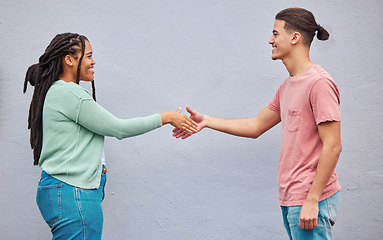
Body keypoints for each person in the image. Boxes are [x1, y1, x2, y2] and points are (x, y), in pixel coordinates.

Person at [173, 8, 342, 240]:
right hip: (292, 198)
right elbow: (256, 126)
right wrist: (207, 121)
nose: (270, 40)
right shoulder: (287, 86)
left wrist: (312, 199)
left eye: (275, 33)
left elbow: (333, 145)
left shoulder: (319, 83)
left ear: (295, 38)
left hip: (310, 198)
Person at [23, 32, 198, 239]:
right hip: (73, 192)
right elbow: (118, 128)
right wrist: (166, 117)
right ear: (69, 60)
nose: (93, 61)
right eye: (88, 56)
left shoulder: (55, 91)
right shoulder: (70, 93)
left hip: (61, 189)